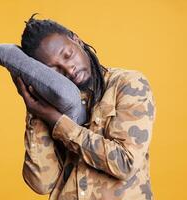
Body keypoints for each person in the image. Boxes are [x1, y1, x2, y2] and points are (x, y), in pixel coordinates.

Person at [11, 13, 157, 200]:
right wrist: (36, 111)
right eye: (53, 69)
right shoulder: (53, 105)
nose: (68, 68)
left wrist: (60, 124)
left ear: (76, 40)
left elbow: (125, 163)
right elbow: (41, 183)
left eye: (67, 55)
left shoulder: (128, 84)